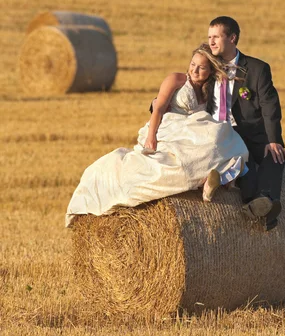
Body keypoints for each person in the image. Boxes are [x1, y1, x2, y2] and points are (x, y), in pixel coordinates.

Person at [65, 45, 248, 227]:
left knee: (221, 136)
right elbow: (158, 107)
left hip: (191, 129)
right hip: (170, 127)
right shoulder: (177, 79)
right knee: (179, 161)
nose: (195, 70)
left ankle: (211, 183)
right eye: (193, 64)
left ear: (210, 70)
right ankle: (209, 180)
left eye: (201, 67)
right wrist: (151, 136)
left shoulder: (210, 91)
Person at [208, 16, 285, 231]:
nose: (211, 42)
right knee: (246, 169)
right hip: (218, 133)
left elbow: (270, 107)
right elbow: (186, 87)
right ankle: (264, 213)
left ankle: (264, 200)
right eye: (209, 37)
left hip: (251, 133)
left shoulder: (257, 69)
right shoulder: (207, 66)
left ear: (232, 38)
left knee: (276, 157)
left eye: (216, 37)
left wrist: (273, 140)